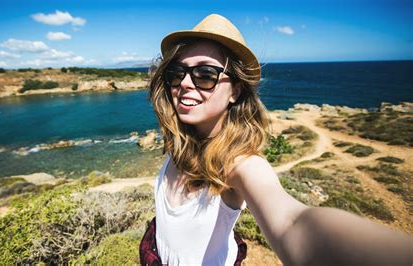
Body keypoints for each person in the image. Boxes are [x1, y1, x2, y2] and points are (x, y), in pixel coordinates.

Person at [139, 14, 413, 265]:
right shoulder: (182, 141)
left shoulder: (239, 163)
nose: (186, 83)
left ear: (235, 90)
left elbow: (291, 222)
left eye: (205, 75)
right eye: (178, 72)